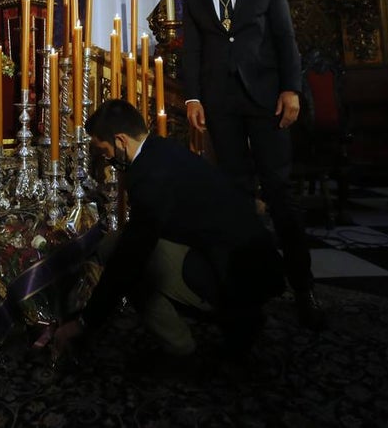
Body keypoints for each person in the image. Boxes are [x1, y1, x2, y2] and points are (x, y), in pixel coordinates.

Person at [50, 100, 284, 363]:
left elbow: (131, 256)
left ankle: (182, 346)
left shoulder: (147, 175)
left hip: (235, 275)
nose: (105, 158)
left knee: (126, 257)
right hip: (250, 262)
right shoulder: (164, 149)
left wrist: (84, 322)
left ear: (120, 140)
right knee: (121, 244)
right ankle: (238, 318)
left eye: (104, 149)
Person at [180, 0, 325, 329]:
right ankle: (247, 287)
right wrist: (192, 96)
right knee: (236, 194)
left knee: (279, 192)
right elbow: (192, 51)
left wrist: (291, 89)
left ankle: (303, 287)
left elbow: (284, 37)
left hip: (266, 101)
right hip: (220, 104)